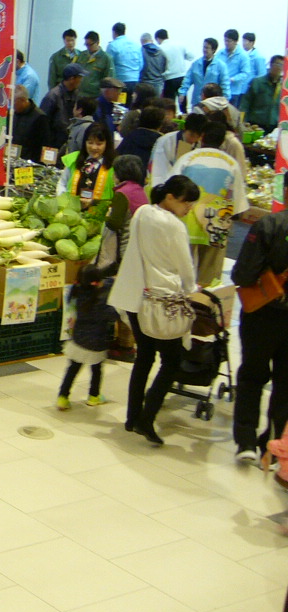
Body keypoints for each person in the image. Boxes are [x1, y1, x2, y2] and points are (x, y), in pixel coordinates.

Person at [109, 175, 200, 445]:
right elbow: (184, 265)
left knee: (144, 358)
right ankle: (147, 419)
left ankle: (132, 417)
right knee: (171, 362)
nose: (189, 209)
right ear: (170, 197)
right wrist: (193, 287)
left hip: (136, 296)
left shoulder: (143, 212)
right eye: (187, 203)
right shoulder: (174, 225)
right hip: (163, 301)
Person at [231, 207, 288, 463]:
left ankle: (246, 441)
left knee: (252, 375)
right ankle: (273, 445)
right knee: (285, 383)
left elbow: (244, 272)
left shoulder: (269, 225)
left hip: (262, 312)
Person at [170, 118, 248, 287]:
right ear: (222, 141)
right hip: (217, 222)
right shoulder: (231, 163)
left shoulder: (188, 158)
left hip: (185, 219)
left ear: (202, 136)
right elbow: (239, 203)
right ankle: (204, 305)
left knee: (180, 267)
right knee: (210, 273)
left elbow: (171, 188)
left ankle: (180, 299)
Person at [56, 264, 117, 410]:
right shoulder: (100, 300)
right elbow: (113, 315)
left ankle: (63, 398)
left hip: (78, 339)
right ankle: (93, 397)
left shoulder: (76, 291)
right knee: (96, 370)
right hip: (96, 341)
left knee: (73, 369)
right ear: (97, 281)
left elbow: (105, 283)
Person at [98, 153, 148, 274]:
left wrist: (103, 217)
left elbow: (114, 223)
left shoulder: (122, 193)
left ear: (118, 173)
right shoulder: (139, 190)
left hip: (127, 247)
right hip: (141, 243)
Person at [58, 121, 116, 207]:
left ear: (107, 144)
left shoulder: (114, 165)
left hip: (98, 215)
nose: (94, 147)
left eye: (99, 144)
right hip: (71, 211)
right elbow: (62, 183)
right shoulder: (74, 159)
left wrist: (94, 202)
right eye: (90, 142)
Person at [150, 111, 206, 186]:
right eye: (192, 135)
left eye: (198, 137)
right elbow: (158, 168)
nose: (194, 140)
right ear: (185, 128)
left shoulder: (199, 144)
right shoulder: (166, 141)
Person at [40, 63, 88, 145]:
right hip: (53, 143)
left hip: (68, 142)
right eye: (80, 77)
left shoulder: (76, 94)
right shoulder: (52, 97)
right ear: (72, 79)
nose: (81, 80)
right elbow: (42, 124)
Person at [155, 29, 195, 108]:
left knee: (169, 105)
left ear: (157, 38)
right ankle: (184, 116)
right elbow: (191, 57)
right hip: (181, 77)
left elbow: (159, 65)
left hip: (168, 79)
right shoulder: (179, 44)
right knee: (183, 103)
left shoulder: (160, 48)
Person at [244, 54, 284, 133]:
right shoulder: (257, 82)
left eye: (283, 65)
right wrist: (244, 121)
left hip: (274, 125)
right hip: (256, 124)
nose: (280, 67)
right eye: (278, 64)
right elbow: (246, 102)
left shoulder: (283, 86)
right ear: (271, 65)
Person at [185, 37, 230, 106]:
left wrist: (226, 99)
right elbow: (187, 80)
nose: (204, 50)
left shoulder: (221, 66)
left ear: (213, 50)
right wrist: (182, 92)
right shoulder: (196, 64)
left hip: (213, 102)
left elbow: (225, 84)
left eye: (207, 48)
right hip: (197, 101)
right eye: (204, 47)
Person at [10, 85, 49, 163]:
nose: (11, 105)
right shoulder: (11, 114)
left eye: (13, 102)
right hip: (11, 160)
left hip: (29, 164)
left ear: (23, 100)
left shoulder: (40, 117)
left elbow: (43, 145)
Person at [218, 28, 252, 108]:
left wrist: (232, 79)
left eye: (229, 41)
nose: (226, 43)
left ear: (236, 42)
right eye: (225, 40)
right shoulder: (220, 53)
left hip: (234, 91)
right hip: (220, 91)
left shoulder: (243, 55)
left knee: (231, 116)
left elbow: (245, 73)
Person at [106, 22, 142, 96]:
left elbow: (109, 65)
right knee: (131, 105)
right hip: (135, 80)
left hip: (120, 82)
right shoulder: (136, 45)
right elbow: (141, 64)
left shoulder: (112, 45)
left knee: (119, 105)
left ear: (114, 32)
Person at [76, 31, 113, 97]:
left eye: (90, 45)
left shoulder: (106, 58)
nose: (88, 47)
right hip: (80, 94)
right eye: (86, 45)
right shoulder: (82, 55)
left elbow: (109, 79)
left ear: (98, 43)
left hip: (95, 96)